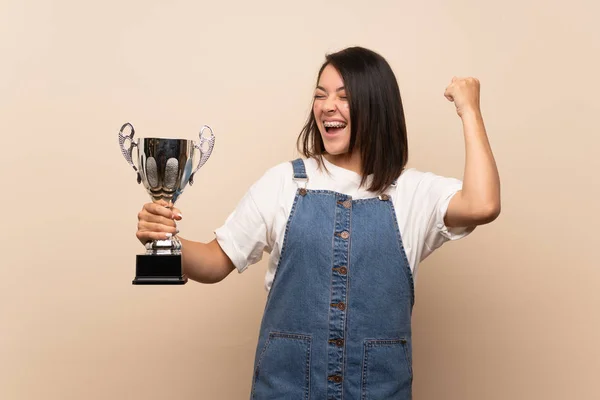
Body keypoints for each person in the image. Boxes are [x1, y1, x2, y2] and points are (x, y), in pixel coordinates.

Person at [136, 46, 500, 399]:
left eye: (344, 96)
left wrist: (469, 110)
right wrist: (165, 243)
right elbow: (216, 262)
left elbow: (483, 204)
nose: (328, 106)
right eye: (320, 95)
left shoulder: (412, 192)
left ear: (376, 106)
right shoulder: (283, 182)